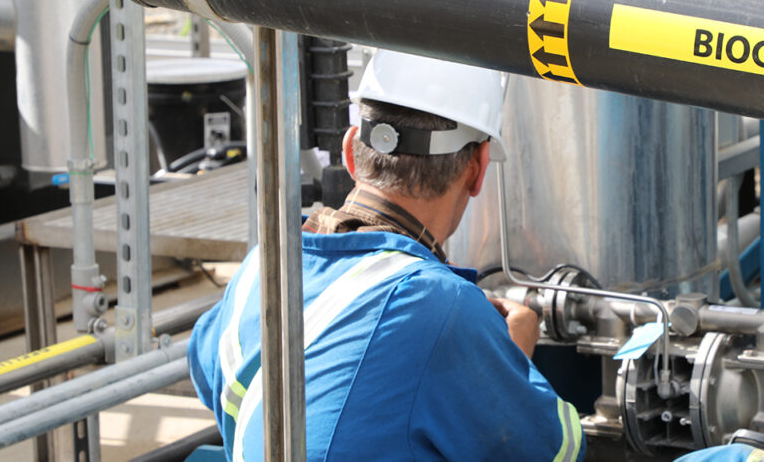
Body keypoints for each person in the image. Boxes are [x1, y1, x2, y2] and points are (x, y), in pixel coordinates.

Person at [187, 50, 585, 461]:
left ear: (349, 153)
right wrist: (511, 357)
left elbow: (205, 368)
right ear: (477, 169)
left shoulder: (265, 264)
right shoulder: (440, 307)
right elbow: (556, 450)